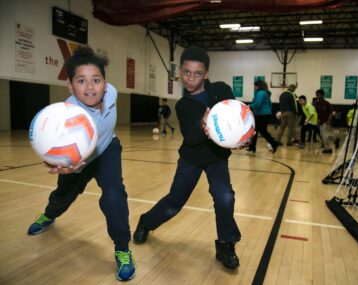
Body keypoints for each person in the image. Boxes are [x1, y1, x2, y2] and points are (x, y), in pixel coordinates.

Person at [27, 46, 135, 281]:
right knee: (64, 194)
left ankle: (122, 248)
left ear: (105, 83)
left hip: (107, 149)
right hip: (79, 160)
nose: (90, 87)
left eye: (96, 80)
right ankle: (48, 215)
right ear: (70, 86)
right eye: (81, 81)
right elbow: (50, 144)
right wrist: (62, 164)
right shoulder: (65, 116)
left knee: (114, 195)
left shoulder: (113, 93)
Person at [133, 46, 243, 269]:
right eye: (186, 72)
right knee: (174, 203)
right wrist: (203, 124)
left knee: (225, 197)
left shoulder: (221, 90)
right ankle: (146, 221)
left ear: (206, 74)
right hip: (191, 158)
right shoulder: (182, 105)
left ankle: (225, 244)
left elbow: (236, 119)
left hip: (216, 157)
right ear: (179, 72)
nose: (191, 78)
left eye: (198, 73)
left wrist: (243, 138)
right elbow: (190, 139)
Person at [246, 80, 280, 153]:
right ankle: (252, 147)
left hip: (262, 114)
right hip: (264, 114)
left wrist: (249, 106)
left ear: (258, 86)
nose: (254, 87)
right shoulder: (265, 93)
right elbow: (269, 105)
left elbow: (257, 104)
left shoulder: (260, 93)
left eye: (255, 86)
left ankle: (274, 143)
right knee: (256, 131)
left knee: (262, 131)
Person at [315, 89, 340, 153]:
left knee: (324, 136)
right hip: (320, 122)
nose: (317, 96)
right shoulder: (317, 104)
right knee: (325, 135)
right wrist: (317, 121)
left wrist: (328, 120)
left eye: (318, 94)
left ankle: (328, 149)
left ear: (322, 95)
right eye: (316, 94)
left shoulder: (327, 103)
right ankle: (335, 139)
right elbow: (317, 113)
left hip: (326, 122)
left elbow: (331, 113)